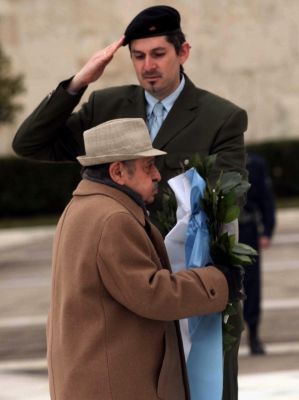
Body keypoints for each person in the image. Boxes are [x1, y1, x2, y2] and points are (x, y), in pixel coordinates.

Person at [13, 6, 248, 398]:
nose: (147, 66)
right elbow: (29, 143)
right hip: (127, 289)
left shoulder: (220, 117)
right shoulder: (106, 107)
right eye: (138, 56)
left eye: (158, 54)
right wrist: (78, 83)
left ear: (183, 52)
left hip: (193, 288)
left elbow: (227, 200)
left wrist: (220, 280)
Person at [47, 117, 242, 400]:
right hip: (114, 386)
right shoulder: (112, 219)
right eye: (147, 166)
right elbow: (153, 294)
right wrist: (219, 281)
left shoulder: (82, 207)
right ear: (117, 172)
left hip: (95, 379)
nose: (157, 175)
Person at [239, 153, 276, 355]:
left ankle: (253, 335)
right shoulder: (215, 160)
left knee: (252, 286)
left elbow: (266, 199)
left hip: (248, 230)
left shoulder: (255, 164)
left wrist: (268, 230)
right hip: (224, 230)